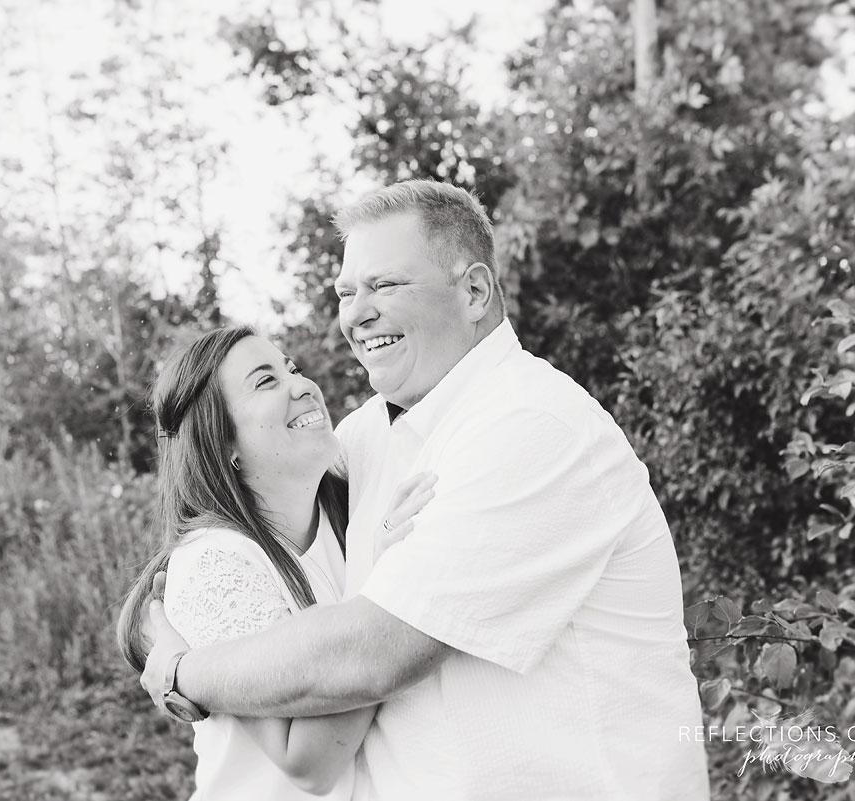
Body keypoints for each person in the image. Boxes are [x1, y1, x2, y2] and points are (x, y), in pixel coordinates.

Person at [139, 180, 711, 800]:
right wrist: (152, 618)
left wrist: (181, 669)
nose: (356, 314)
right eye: (347, 292)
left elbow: (371, 656)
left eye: (384, 285)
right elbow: (225, 534)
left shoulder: (532, 426)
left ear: (473, 291)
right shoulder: (365, 438)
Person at [115, 326, 436, 799]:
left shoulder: (346, 506)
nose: (302, 385)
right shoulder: (216, 563)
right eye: (265, 381)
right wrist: (383, 571)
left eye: (293, 368)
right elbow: (308, 764)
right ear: (222, 442)